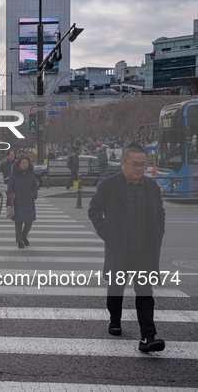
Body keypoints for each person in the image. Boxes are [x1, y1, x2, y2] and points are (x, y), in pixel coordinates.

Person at [88, 143, 166, 353]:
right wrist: (108, 235)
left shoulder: (151, 186)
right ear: (122, 163)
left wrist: (159, 231)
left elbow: (160, 212)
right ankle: (115, 319)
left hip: (144, 252)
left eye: (143, 164)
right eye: (135, 164)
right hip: (120, 250)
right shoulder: (108, 185)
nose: (139, 168)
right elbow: (94, 211)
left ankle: (148, 337)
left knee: (145, 292)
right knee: (116, 290)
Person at [7, 154, 37, 249]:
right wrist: (12, 198)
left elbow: (34, 186)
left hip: (29, 200)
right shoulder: (14, 174)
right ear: (19, 163)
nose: (25, 165)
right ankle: (19, 241)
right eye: (23, 163)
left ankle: (24, 237)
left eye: (27, 163)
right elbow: (10, 188)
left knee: (29, 221)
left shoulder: (31, 173)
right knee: (18, 222)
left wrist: (34, 194)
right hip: (18, 201)